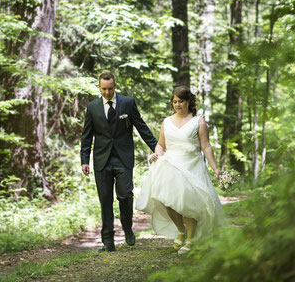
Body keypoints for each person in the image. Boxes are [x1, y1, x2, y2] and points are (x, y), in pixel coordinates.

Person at [136, 86, 226, 254]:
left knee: (188, 203)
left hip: (192, 165)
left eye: (181, 101)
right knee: (168, 202)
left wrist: (215, 168)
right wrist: (157, 154)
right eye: (175, 102)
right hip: (170, 165)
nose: (177, 105)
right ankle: (181, 229)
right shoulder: (167, 122)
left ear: (188, 102)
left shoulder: (198, 121)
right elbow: (161, 145)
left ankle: (191, 239)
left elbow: (206, 146)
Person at [80, 72, 158, 252]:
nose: (107, 92)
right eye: (104, 89)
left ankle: (127, 228)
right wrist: (85, 160)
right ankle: (108, 241)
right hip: (102, 160)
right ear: (99, 88)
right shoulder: (92, 107)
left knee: (125, 195)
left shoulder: (127, 103)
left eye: (110, 89)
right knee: (105, 200)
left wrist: (157, 147)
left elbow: (142, 127)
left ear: (115, 86)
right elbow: (87, 136)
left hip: (123, 159)